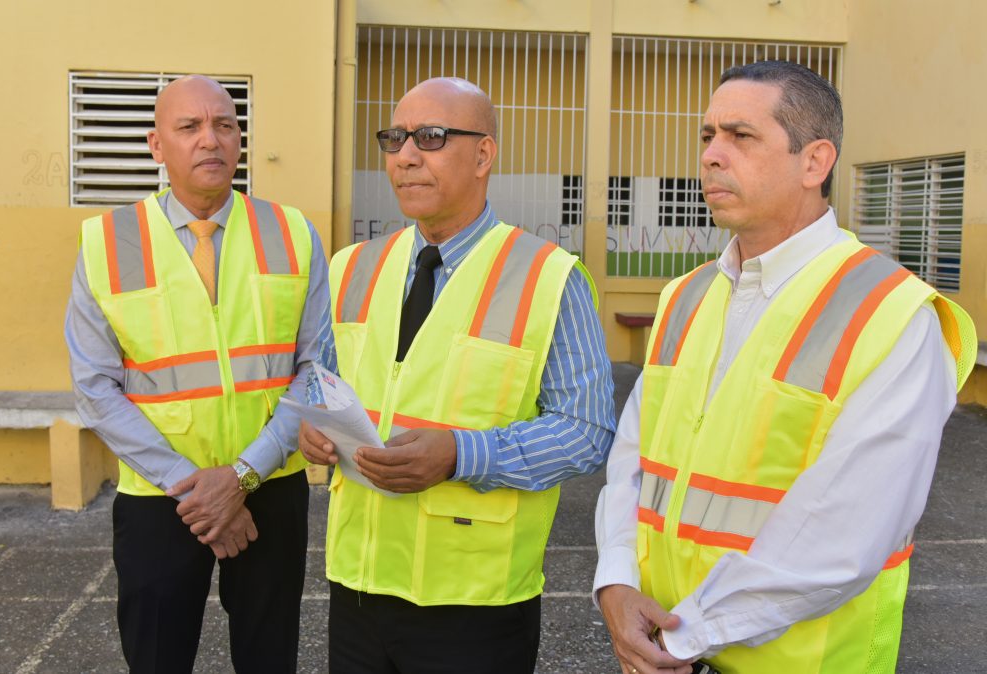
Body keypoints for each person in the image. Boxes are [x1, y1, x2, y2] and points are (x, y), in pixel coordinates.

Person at [594, 60, 976, 674]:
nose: (712, 155)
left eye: (740, 137)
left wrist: (683, 636)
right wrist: (614, 582)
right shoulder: (685, 296)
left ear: (815, 162)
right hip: (662, 646)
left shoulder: (894, 314)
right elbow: (632, 462)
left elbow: (845, 536)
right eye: (707, 136)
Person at [298, 76, 616, 673]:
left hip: (476, 606)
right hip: (359, 586)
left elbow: (586, 429)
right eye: (395, 138)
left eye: (432, 136)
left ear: (484, 155)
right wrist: (314, 430)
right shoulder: (352, 267)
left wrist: (460, 455)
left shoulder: (549, 277)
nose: (406, 155)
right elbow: (321, 382)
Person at [64, 75, 335, 673]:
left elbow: (318, 368)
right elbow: (95, 386)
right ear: (156, 145)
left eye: (224, 125)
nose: (209, 140)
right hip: (163, 496)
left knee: (269, 656)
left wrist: (241, 476)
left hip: (269, 485)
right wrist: (197, 488)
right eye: (189, 127)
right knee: (156, 655)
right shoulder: (107, 243)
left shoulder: (293, 233)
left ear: (239, 139)